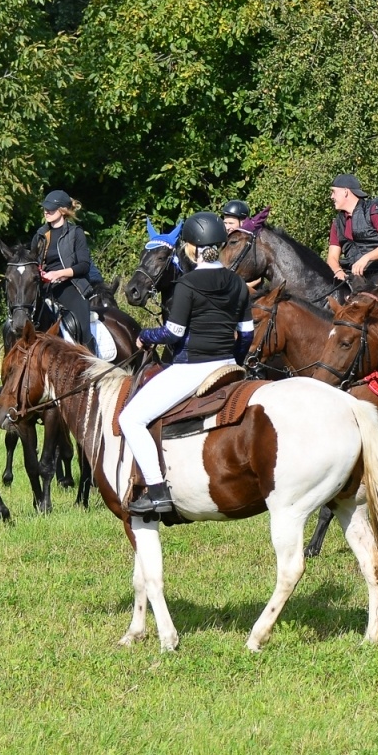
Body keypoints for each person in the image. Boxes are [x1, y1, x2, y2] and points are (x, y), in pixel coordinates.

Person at [120, 212, 254, 517]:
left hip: (192, 367)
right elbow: (247, 333)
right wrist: (234, 359)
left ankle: (156, 491)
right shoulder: (238, 282)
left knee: (130, 419)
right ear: (220, 246)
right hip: (228, 365)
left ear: (192, 248)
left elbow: (174, 333)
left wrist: (145, 334)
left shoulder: (188, 283)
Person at [31, 190, 96, 356]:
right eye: (45, 208)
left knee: (83, 326)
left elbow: (83, 265)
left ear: (62, 210)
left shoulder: (76, 233)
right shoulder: (39, 235)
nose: (46, 212)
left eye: (51, 209)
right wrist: (39, 273)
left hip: (70, 285)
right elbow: (33, 261)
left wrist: (58, 274)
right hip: (44, 287)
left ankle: (92, 364)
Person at [326, 174, 378, 284]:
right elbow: (332, 257)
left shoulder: (372, 211)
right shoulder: (337, 223)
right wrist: (338, 272)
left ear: (345, 191)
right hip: (354, 278)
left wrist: (367, 258)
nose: (331, 197)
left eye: (333, 192)